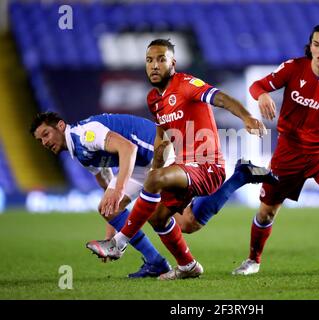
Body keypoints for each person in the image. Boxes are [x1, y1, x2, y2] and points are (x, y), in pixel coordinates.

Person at [85, 39, 278, 280]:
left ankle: (118, 243)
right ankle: (188, 266)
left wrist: (247, 117)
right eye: (149, 60)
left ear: (172, 63)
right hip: (183, 165)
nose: (154, 65)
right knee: (165, 219)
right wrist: (156, 166)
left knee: (161, 191)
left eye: (160, 59)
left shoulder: (186, 84)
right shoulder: (154, 99)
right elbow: (160, 137)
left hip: (208, 165)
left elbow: (221, 98)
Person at [232, 24, 319, 276]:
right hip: (289, 151)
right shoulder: (293, 68)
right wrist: (262, 95)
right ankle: (253, 260)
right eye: (316, 44)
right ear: (310, 47)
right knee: (266, 212)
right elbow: (256, 85)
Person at [30, 112, 173, 278]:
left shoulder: (84, 135)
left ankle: (186, 262)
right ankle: (156, 262)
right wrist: (110, 235)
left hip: (160, 149)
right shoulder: (81, 153)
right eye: (40, 140)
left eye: (46, 134)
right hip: (141, 163)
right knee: (108, 208)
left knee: (181, 221)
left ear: (61, 126)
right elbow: (107, 191)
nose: (45, 142)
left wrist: (119, 190)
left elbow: (128, 148)